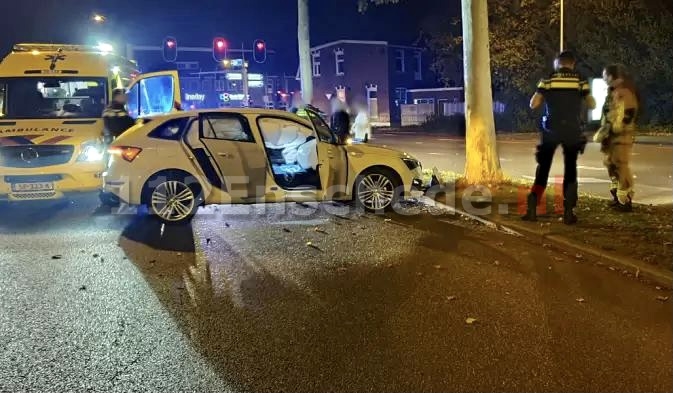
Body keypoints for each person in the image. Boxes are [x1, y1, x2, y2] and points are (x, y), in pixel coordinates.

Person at [522, 51, 596, 224]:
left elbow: (534, 104)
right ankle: (569, 211)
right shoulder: (580, 79)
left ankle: (532, 208)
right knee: (570, 168)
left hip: (551, 129)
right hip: (572, 129)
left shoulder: (547, 79)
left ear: (558, 63)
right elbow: (591, 103)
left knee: (544, 168)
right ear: (572, 64)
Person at [593, 64, 639, 211]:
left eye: (605, 75)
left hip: (621, 136)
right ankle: (616, 196)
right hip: (610, 136)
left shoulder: (624, 91)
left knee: (621, 165)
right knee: (610, 164)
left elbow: (629, 112)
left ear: (611, 76)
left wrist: (618, 128)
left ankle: (625, 201)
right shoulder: (612, 92)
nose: (604, 78)